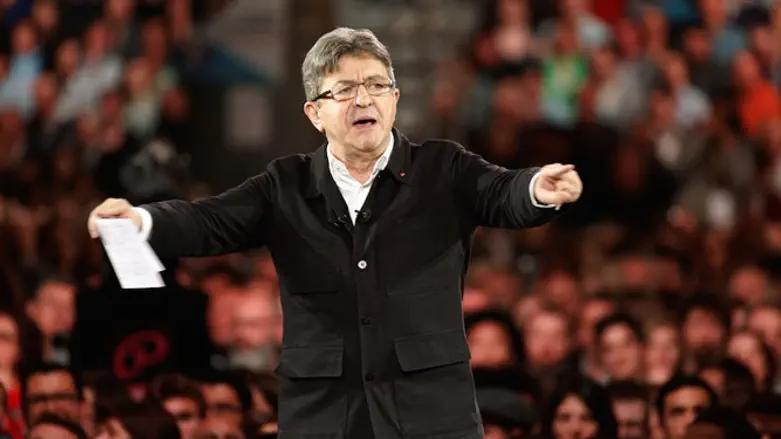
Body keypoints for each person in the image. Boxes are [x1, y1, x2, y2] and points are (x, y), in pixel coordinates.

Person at [86, 27, 583, 439]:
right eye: (343, 89)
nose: (362, 98)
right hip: (323, 415)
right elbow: (210, 220)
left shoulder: (444, 168)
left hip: (432, 415)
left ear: (394, 97)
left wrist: (538, 186)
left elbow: (502, 192)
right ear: (314, 112)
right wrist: (142, 220)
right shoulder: (285, 184)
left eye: (375, 85)